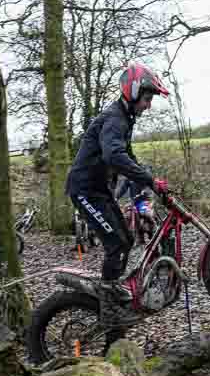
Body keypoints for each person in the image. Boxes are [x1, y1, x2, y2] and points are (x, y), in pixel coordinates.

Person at [64, 61, 170, 339]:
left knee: (125, 240)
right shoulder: (115, 118)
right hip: (84, 190)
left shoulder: (125, 119)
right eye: (147, 98)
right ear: (133, 91)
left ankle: (111, 300)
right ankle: (109, 309)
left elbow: (128, 157)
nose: (148, 105)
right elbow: (113, 156)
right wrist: (147, 179)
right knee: (115, 244)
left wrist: (151, 183)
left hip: (99, 191)